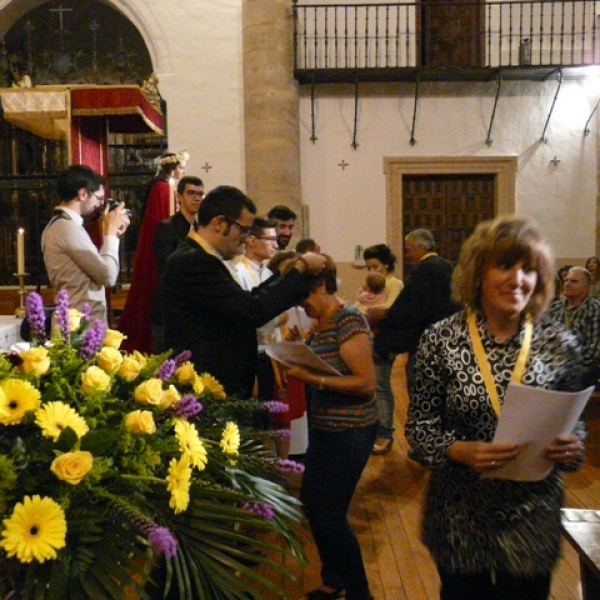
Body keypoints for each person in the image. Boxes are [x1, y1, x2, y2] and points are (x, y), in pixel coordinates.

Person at [405, 215, 586, 600]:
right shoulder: (440, 339)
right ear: (477, 273)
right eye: (504, 265)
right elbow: (419, 427)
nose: (517, 279)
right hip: (459, 509)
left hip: (531, 512)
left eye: (529, 270)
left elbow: (576, 423)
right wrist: (458, 449)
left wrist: (572, 447)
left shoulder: (559, 342)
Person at [158, 185, 325, 398]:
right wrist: (300, 267)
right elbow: (251, 310)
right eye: (243, 229)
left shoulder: (203, 259)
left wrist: (290, 274)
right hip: (206, 386)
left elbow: (246, 300)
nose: (246, 238)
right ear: (219, 223)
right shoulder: (193, 261)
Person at [284, 255, 378, 600]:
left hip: (351, 429)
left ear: (322, 286)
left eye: (304, 297)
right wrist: (296, 348)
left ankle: (359, 590)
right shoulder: (320, 323)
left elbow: (366, 383)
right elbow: (323, 364)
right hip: (325, 427)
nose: (302, 306)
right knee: (312, 501)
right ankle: (334, 577)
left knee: (330, 512)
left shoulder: (347, 320)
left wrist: (312, 377)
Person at [370, 234, 458, 454]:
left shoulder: (425, 269)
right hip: (448, 339)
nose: (407, 255)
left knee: (421, 394)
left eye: (409, 249)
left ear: (420, 247)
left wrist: (387, 315)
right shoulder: (447, 266)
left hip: (425, 342)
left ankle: (424, 444)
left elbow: (416, 307)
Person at [119, 150, 188, 353]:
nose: (183, 172)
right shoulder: (162, 188)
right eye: (181, 169)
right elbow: (162, 220)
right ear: (173, 169)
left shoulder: (165, 186)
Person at [41, 164, 130, 324]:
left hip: (80, 322)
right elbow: (108, 276)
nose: (99, 206)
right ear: (83, 194)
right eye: (99, 199)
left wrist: (114, 233)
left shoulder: (61, 225)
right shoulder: (66, 228)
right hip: (80, 328)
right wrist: (110, 234)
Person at [150, 175, 204, 352]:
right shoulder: (166, 228)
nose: (197, 198)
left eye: (200, 194)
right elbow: (166, 266)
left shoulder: (203, 230)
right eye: (191, 193)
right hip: (169, 309)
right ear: (179, 196)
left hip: (195, 309)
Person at [543, 265, 600, 387]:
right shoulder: (554, 308)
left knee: (570, 378)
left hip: (583, 366)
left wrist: (567, 362)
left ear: (585, 289)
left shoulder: (595, 310)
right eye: (566, 280)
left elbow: (593, 352)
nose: (567, 284)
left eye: (573, 281)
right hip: (554, 362)